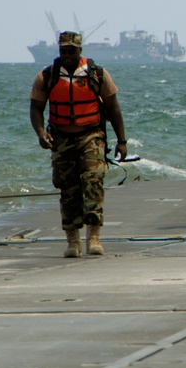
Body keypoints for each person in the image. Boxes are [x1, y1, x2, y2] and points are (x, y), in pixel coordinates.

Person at [30, 31, 128, 258]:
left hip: (91, 135)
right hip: (61, 139)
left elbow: (113, 108)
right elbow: (36, 108)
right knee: (68, 188)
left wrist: (122, 141)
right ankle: (72, 240)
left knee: (93, 180)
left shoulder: (97, 75)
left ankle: (94, 236)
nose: (66, 55)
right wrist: (41, 132)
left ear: (80, 50)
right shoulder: (47, 76)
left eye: (71, 51)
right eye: (63, 51)